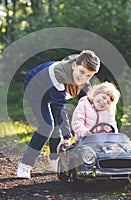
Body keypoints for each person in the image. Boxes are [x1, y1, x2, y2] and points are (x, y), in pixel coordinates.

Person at [17, 50, 101, 179]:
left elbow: (89, 102)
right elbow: (59, 109)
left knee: (57, 127)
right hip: (35, 88)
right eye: (82, 72)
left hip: (51, 90)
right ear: (74, 65)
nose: (83, 78)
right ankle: (25, 165)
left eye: (89, 75)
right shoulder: (58, 74)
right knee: (47, 126)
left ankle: (55, 161)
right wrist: (68, 135)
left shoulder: (84, 77)